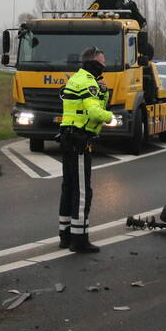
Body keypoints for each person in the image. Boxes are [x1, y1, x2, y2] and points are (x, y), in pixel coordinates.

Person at [58, 46, 113, 253]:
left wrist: (104, 92)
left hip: (68, 137)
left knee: (68, 188)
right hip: (79, 140)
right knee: (82, 192)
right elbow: (95, 111)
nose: (104, 67)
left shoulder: (76, 78)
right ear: (93, 63)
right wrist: (111, 117)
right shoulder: (88, 82)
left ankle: (65, 235)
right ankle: (79, 240)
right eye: (102, 63)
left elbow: (93, 102)